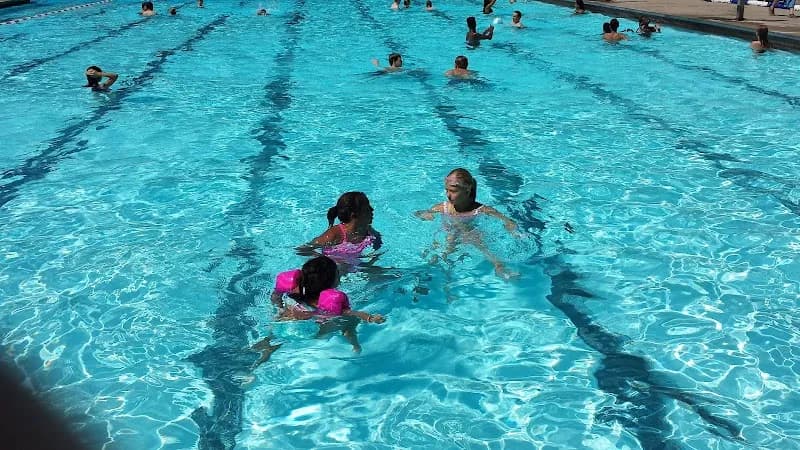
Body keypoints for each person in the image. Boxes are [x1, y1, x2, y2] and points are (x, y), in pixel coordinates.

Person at [262, 256, 385, 356]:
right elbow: (352, 313)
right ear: (332, 281)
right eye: (337, 273)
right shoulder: (329, 301)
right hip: (311, 332)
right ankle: (355, 346)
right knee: (351, 321)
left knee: (283, 319)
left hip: (282, 326)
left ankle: (266, 345)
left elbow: (275, 297)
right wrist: (370, 318)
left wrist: (280, 308)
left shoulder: (294, 293)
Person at [415, 168, 520, 277]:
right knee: (443, 244)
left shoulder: (480, 210)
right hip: (446, 238)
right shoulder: (443, 207)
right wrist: (424, 214)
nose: (448, 195)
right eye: (446, 190)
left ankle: (499, 266)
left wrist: (513, 231)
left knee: (473, 236)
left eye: (453, 191)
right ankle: (430, 272)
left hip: (469, 239)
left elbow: (509, 222)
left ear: (467, 189)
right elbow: (418, 213)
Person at [310, 192, 383, 265]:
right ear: (354, 214)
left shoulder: (368, 230)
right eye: (367, 208)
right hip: (333, 266)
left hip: (354, 265)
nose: (372, 209)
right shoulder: (335, 233)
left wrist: (370, 263)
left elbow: (377, 244)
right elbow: (306, 249)